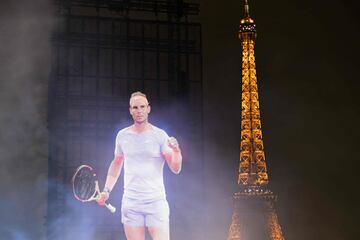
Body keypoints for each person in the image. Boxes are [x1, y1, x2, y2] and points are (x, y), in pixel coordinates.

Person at [97, 91, 182, 240]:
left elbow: (176, 168)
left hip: (155, 201)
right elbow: (116, 164)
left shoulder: (160, 135)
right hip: (131, 203)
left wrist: (177, 151)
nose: (139, 111)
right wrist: (106, 190)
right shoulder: (122, 136)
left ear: (148, 108)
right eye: (135, 107)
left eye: (142, 106)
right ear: (130, 110)